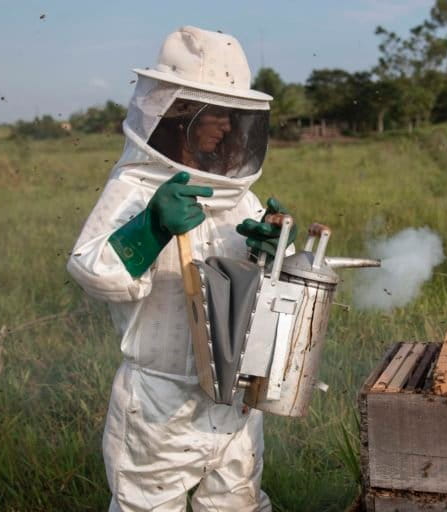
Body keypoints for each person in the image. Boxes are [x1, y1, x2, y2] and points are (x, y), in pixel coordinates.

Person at [67, 26, 292, 511]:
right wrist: (150, 227)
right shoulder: (135, 187)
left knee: (239, 505)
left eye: (233, 114)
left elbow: (251, 293)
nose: (228, 126)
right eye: (215, 112)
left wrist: (272, 253)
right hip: (158, 406)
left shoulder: (240, 197)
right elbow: (90, 268)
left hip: (235, 399)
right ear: (178, 114)